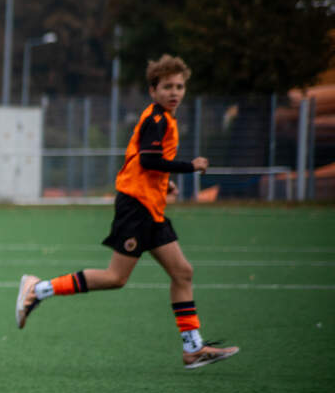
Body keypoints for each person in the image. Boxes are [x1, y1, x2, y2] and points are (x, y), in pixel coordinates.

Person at [16, 54, 240, 369]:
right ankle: (38, 289)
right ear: (153, 90)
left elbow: (143, 161)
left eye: (179, 87)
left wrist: (163, 183)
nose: (174, 92)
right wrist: (190, 166)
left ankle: (193, 348)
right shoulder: (157, 119)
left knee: (182, 273)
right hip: (137, 207)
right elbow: (149, 159)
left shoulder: (164, 118)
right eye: (167, 87)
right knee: (115, 277)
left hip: (150, 206)